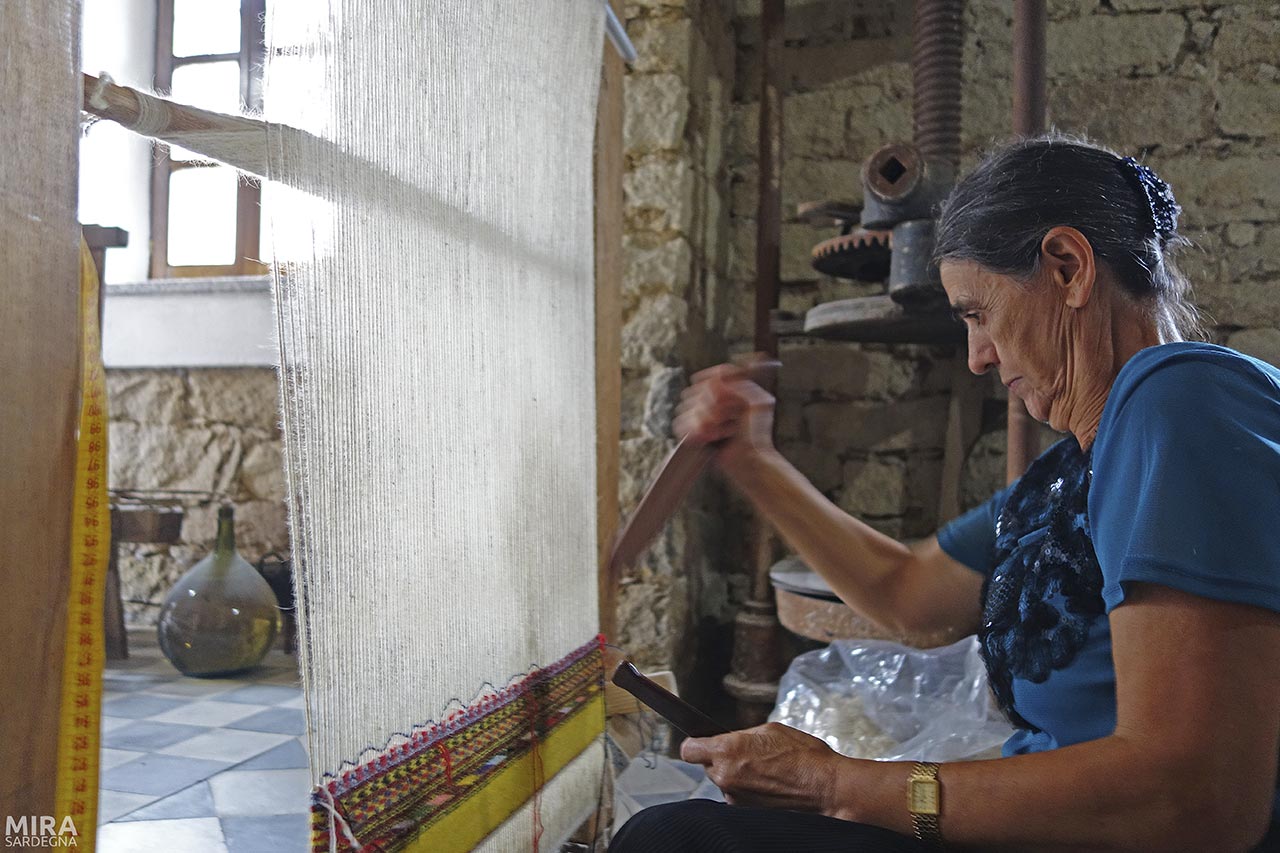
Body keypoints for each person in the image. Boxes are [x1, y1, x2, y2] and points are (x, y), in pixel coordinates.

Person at [610, 135, 1280, 852]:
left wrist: (838, 785)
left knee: (674, 840)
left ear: (1067, 267)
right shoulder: (1069, 475)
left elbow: (1195, 801)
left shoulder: (1178, 400)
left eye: (977, 313)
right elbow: (907, 592)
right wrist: (752, 460)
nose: (977, 356)